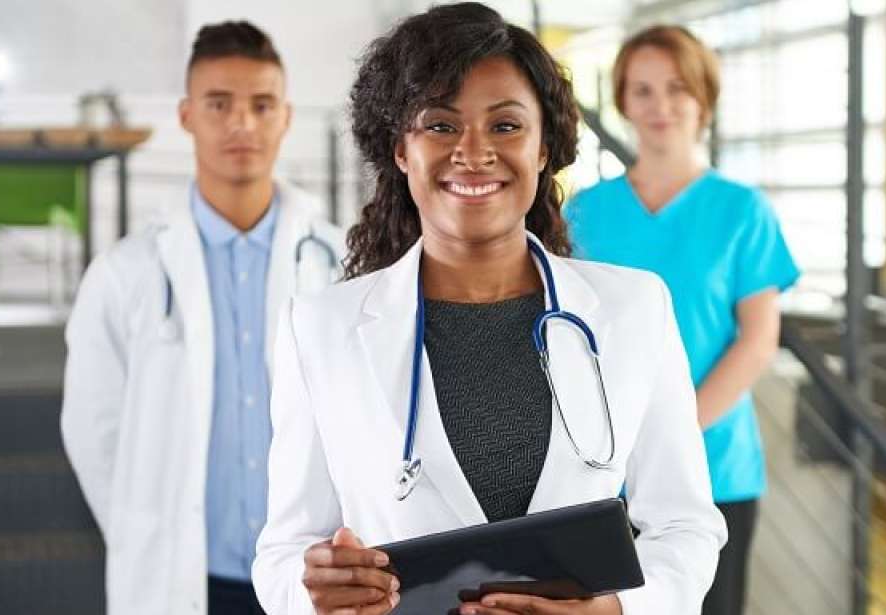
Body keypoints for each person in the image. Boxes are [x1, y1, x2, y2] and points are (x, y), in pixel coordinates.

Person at [251, 4, 726, 615]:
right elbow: (284, 552)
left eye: (505, 126)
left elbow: (686, 526)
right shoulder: (319, 328)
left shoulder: (634, 309)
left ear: (544, 147)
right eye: (441, 126)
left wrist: (614, 611)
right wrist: (310, 590)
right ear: (400, 149)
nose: (473, 153)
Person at [61, 21, 345, 615]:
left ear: (286, 117)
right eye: (220, 104)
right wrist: (148, 533)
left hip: (309, 578)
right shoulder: (125, 272)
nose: (242, 123)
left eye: (261, 105)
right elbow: (93, 430)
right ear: (188, 115)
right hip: (182, 579)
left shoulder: (340, 263)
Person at [564, 25, 800, 615]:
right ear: (622, 101)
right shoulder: (584, 213)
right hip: (601, 477)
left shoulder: (742, 210)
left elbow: (758, 337)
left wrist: (674, 435)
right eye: (642, 90)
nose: (660, 106)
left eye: (676, 88)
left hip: (715, 469)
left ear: (704, 98)